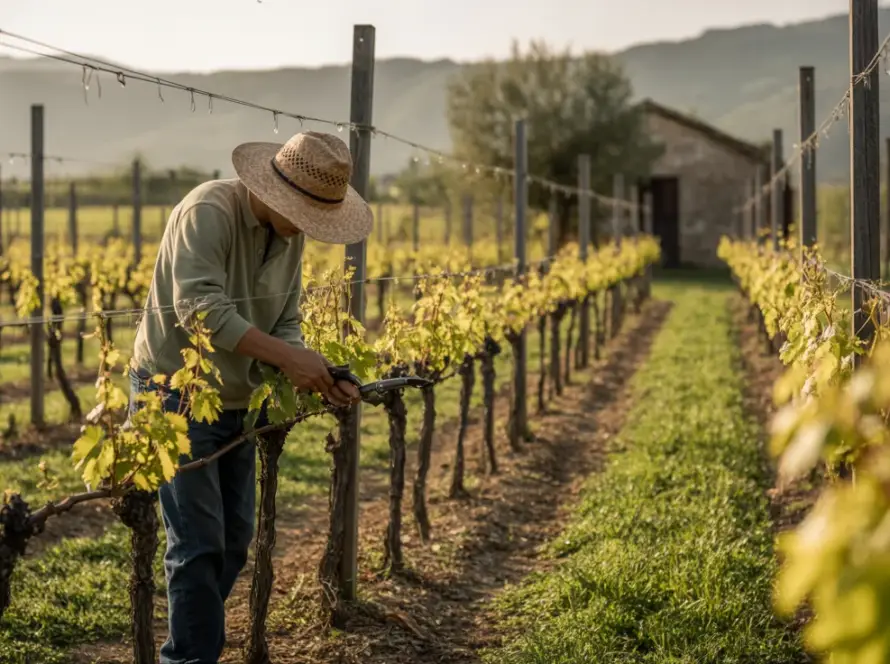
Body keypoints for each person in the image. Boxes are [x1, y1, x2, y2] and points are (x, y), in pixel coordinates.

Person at [129, 131, 372, 664]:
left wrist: (320, 371)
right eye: (306, 214)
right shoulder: (207, 211)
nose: (309, 228)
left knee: (234, 541)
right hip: (175, 395)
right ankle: (191, 657)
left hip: (236, 401)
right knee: (198, 547)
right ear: (278, 191)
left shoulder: (289, 235)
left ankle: (193, 643)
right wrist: (290, 359)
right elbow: (200, 310)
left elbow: (285, 321)